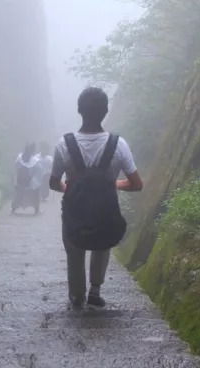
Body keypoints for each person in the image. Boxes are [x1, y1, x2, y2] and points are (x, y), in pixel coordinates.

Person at [50, 87, 142, 309]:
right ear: (106, 111)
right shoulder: (118, 144)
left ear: (79, 110)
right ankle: (95, 291)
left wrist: (72, 188)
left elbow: (53, 183)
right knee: (102, 243)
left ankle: (76, 295)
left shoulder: (64, 144)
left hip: (73, 209)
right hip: (105, 209)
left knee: (74, 249)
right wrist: (111, 183)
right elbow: (136, 184)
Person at [12, 142, 41, 214]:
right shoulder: (20, 158)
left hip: (30, 180)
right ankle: (13, 208)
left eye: (32, 149)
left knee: (35, 193)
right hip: (21, 181)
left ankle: (36, 209)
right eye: (31, 149)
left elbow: (37, 170)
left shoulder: (34, 159)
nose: (32, 151)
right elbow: (16, 170)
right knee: (18, 195)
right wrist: (15, 181)